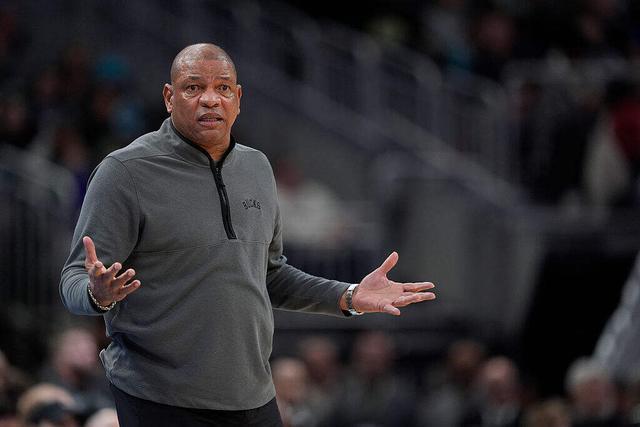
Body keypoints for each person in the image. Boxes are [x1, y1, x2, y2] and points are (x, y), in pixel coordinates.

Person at [59, 43, 436, 426]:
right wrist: (97, 294)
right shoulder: (125, 172)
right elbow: (73, 278)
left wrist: (350, 296)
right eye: (193, 87)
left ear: (238, 99)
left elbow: (270, 275)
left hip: (252, 394)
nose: (210, 99)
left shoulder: (257, 168)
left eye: (223, 88)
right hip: (158, 395)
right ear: (169, 98)